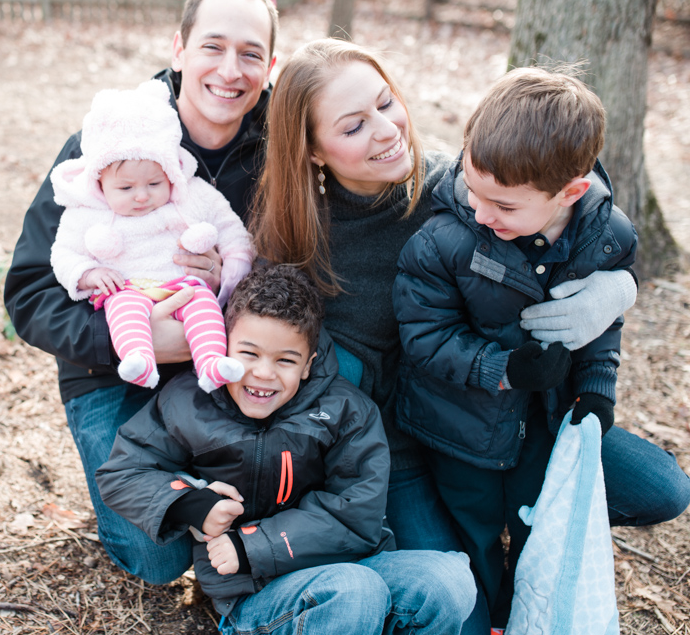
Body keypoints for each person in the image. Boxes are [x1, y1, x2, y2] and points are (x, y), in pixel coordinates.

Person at [248, 38, 690, 634]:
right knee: (470, 615)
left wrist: (618, 288)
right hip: (400, 448)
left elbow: (566, 188)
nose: (386, 131)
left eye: (386, 103)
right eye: (354, 126)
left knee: (660, 490)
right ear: (312, 151)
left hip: (506, 414)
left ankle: (531, 515)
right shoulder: (299, 243)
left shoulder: (459, 188)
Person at [4, 0, 277, 584]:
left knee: (255, 525)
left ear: (269, 65)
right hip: (115, 365)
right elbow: (28, 292)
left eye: (250, 53)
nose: (230, 70)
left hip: (220, 356)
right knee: (158, 558)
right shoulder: (109, 141)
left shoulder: (279, 149)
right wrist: (132, 340)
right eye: (212, 46)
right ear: (178, 50)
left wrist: (233, 284)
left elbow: (292, 269)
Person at [96, 264, 475, 635]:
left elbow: (356, 514)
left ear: (308, 365)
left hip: (343, 563)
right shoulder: (190, 401)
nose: (263, 373)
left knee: (449, 579)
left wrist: (252, 544)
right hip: (255, 588)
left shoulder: (348, 411)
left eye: (285, 360)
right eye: (248, 354)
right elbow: (124, 471)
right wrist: (192, 504)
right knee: (353, 590)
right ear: (223, 343)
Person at [391, 67, 637, 630]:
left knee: (534, 522)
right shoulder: (444, 240)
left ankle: (520, 612)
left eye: (502, 205)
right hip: (459, 426)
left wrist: (597, 389)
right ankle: (486, 611)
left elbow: (600, 322)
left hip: (545, 427)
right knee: (474, 530)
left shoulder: (606, 235)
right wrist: (502, 367)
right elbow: (424, 337)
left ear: (570, 192)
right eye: (472, 190)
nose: (481, 212)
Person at [49, 79, 254, 392]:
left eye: (155, 184)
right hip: (129, 288)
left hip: (183, 285)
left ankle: (212, 363)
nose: (142, 197)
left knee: (203, 305)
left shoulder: (191, 194)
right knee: (122, 309)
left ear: (170, 172)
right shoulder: (86, 212)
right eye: (126, 188)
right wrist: (88, 273)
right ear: (99, 182)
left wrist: (235, 262)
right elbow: (62, 254)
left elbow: (229, 226)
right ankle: (139, 360)